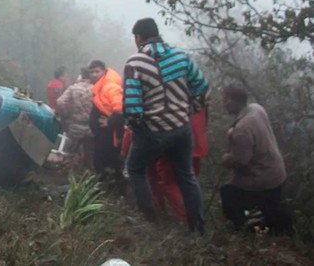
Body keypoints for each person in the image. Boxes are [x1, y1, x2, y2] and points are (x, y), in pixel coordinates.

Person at [122, 18, 208, 233]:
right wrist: (190, 110)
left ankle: (149, 222)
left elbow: (132, 107)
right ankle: (197, 227)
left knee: (136, 169)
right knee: (186, 176)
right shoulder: (181, 56)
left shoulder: (136, 62)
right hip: (181, 129)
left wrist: (140, 127)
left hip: (153, 131)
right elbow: (202, 86)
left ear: (139, 38)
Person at [220, 83, 292, 233]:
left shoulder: (242, 129)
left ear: (234, 101)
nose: (223, 104)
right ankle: (281, 232)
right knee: (272, 207)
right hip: (277, 172)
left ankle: (244, 231)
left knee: (228, 194)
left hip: (262, 178)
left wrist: (226, 159)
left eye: (225, 100)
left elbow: (241, 161)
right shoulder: (256, 108)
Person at [87, 59, 124, 178]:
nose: (94, 74)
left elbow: (119, 109)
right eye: (91, 72)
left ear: (104, 71)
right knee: (101, 161)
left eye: (97, 71)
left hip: (109, 134)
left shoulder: (110, 86)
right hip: (102, 133)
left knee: (109, 162)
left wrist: (110, 121)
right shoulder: (99, 87)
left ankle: (113, 188)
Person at [55, 67, 94, 164]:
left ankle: (67, 171)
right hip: (91, 126)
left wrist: (65, 114)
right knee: (89, 153)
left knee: (70, 152)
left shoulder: (73, 88)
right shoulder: (96, 88)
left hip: (74, 125)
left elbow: (60, 102)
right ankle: (86, 173)